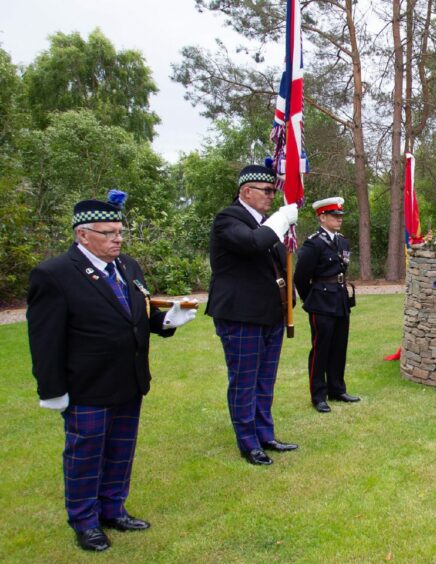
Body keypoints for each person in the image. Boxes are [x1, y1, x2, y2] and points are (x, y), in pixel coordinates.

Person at [27, 191, 197, 552]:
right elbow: (44, 339)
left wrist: (165, 320)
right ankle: (85, 522)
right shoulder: (55, 274)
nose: (117, 239)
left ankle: (113, 509)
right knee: (86, 454)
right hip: (86, 384)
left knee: (120, 451)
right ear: (82, 234)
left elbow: (133, 315)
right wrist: (51, 389)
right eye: (108, 233)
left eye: (120, 232)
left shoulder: (128, 267)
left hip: (128, 379)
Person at [207, 162, 300, 466]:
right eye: (268, 190)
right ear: (246, 191)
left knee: (264, 379)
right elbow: (252, 244)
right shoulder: (228, 218)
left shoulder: (263, 222)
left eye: (275, 190)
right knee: (245, 380)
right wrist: (282, 219)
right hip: (241, 315)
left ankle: (265, 433)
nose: (273, 196)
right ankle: (248, 443)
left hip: (270, 313)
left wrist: (289, 296)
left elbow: (274, 264)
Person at [294, 197, 359, 413]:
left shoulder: (342, 241)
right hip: (321, 302)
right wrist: (310, 300)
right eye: (335, 216)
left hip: (340, 298)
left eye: (340, 216)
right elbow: (301, 277)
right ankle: (318, 395)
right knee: (321, 349)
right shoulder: (314, 243)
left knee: (339, 347)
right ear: (322, 217)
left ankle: (337, 389)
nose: (339, 219)